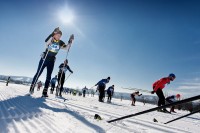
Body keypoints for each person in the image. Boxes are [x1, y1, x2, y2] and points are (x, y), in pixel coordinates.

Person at [30, 27, 72, 97]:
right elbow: (46, 42)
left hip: (52, 61)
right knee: (38, 73)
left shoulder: (60, 43)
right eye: (58, 35)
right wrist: (53, 33)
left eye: (60, 36)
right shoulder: (51, 38)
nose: (59, 37)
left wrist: (70, 41)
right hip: (45, 58)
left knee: (48, 76)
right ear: (55, 34)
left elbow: (66, 48)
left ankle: (45, 92)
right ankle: (32, 87)